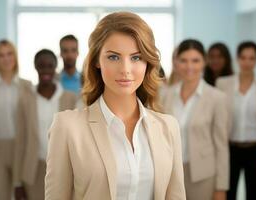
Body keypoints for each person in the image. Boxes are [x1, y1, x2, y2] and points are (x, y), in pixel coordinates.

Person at [45, 11, 186, 200]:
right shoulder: (67, 127)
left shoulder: (168, 127)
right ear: (96, 60)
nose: (125, 70)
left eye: (136, 57)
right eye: (113, 57)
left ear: (148, 63)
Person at [162, 39, 229, 200]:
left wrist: (221, 187)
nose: (189, 66)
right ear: (176, 62)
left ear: (204, 62)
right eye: (183, 60)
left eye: (195, 60)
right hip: (168, 173)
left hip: (202, 175)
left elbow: (221, 146)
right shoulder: (164, 96)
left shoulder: (217, 98)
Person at [216, 41, 256, 200]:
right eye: (243, 57)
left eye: (252, 58)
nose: (247, 62)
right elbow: (218, 122)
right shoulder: (222, 84)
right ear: (237, 59)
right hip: (230, 150)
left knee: (254, 195)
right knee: (228, 194)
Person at [14, 49, 77, 200]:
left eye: (50, 66)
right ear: (35, 67)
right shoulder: (26, 99)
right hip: (34, 169)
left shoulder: (70, 98)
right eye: (41, 66)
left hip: (64, 169)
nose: (45, 70)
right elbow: (20, 141)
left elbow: (76, 139)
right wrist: (17, 183)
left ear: (56, 67)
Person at [0, 39, 32, 200]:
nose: (6, 59)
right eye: (1, 55)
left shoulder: (27, 86)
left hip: (21, 151)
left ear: (15, 57)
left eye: (9, 54)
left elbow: (31, 125)